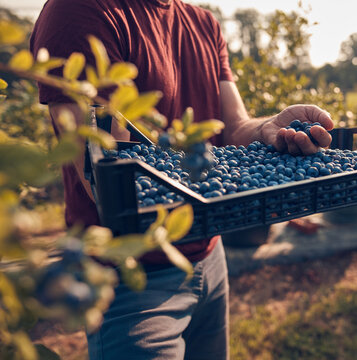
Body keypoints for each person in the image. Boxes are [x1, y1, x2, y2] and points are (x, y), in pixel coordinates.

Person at [30, 0, 334, 359]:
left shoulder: (203, 23)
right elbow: (105, 171)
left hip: (209, 252)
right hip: (133, 277)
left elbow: (234, 127)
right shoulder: (81, 10)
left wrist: (266, 128)